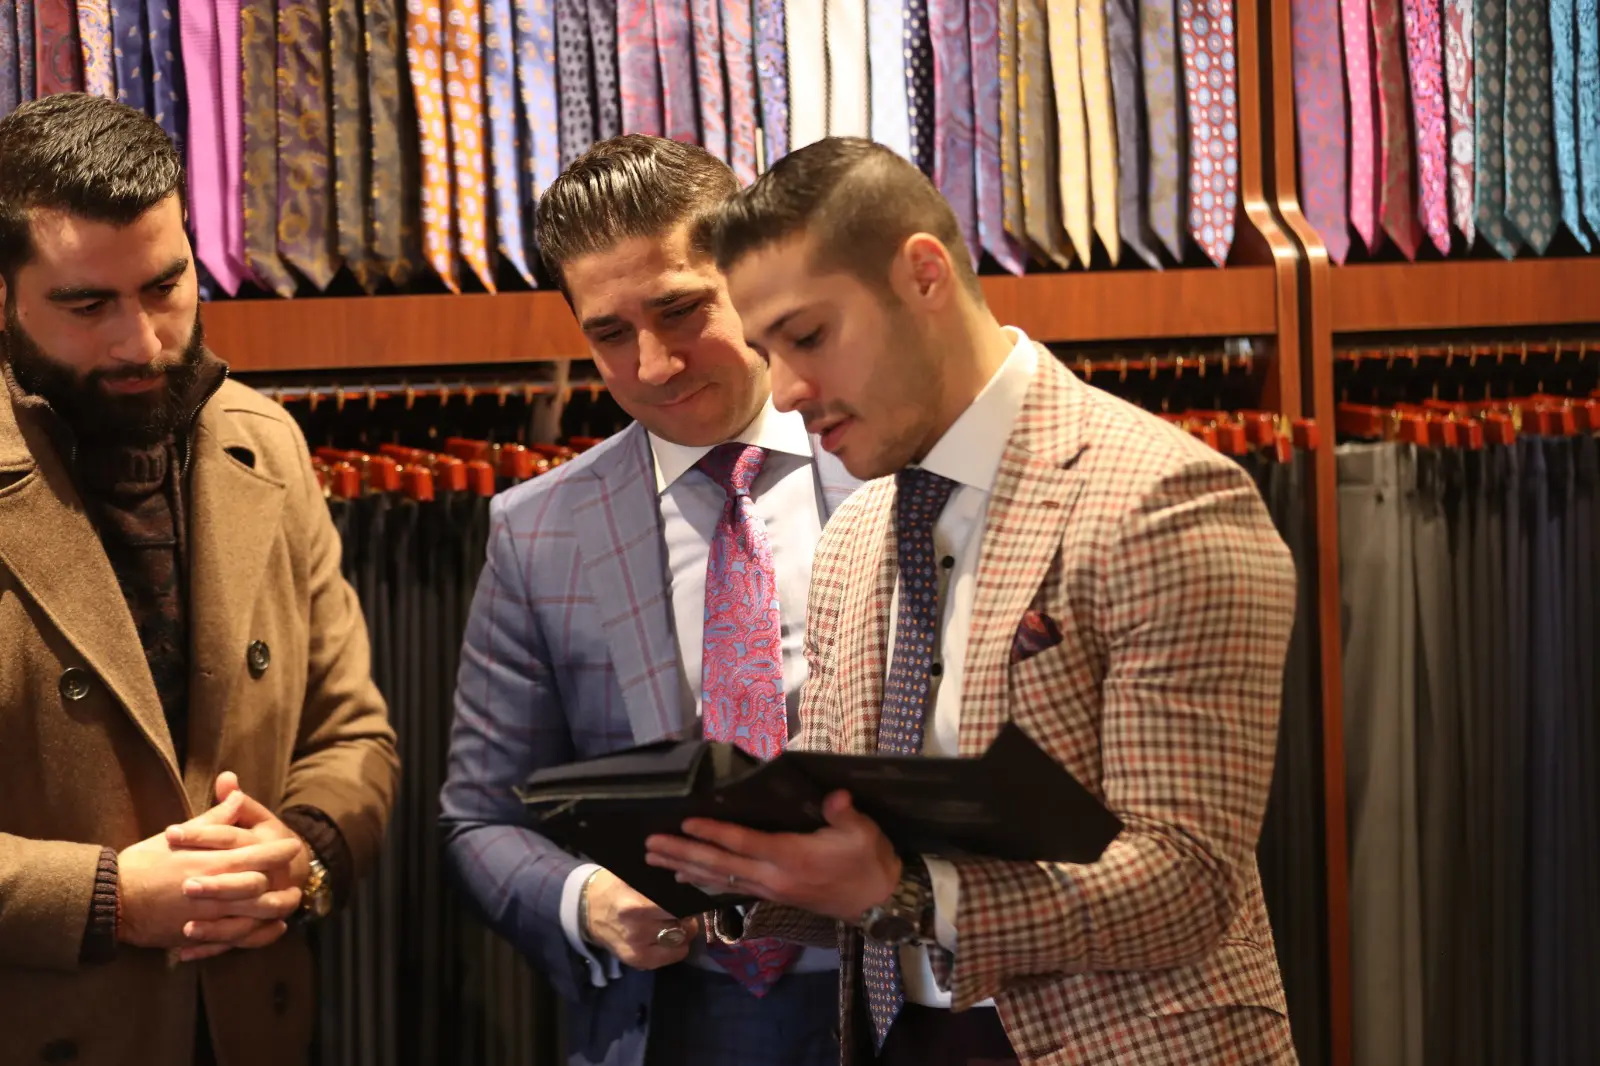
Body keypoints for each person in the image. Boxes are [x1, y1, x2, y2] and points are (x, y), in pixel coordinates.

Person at [643, 137, 1302, 1065]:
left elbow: (1189, 883)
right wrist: (738, 866)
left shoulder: (1162, 499)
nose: (785, 392)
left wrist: (908, 895)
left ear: (924, 275)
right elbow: (852, 838)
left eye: (809, 336)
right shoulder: (857, 538)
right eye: (767, 352)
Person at [439, 134, 858, 1066]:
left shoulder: (886, 465)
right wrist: (588, 899)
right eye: (611, 335)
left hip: (897, 989)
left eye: (680, 310)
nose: (657, 364)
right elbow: (480, 819)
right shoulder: (538, 532)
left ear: (746, 275)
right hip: (672, 1014)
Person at [0, 94, 399, 1066]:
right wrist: (105, 900)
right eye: (87, 306)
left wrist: (302, 853)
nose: (141, 341)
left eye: (166, 286)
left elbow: (353, 733)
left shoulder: (265, 444)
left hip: (251, 1019)